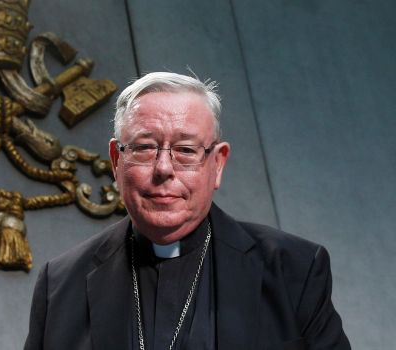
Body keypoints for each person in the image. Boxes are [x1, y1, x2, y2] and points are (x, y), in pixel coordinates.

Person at [24, 72, 351, 349]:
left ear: (217, 164)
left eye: (185, 150)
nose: (163, 168)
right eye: (144, 147)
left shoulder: (294, 270)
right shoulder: (60, 285)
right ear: (116, 160)